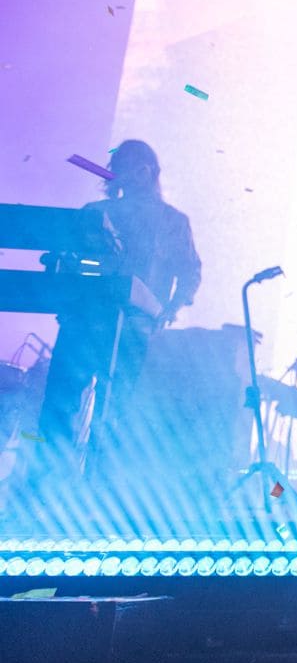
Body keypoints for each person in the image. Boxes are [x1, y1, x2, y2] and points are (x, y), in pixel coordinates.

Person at [34, 139, 201, 481]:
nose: (115, 176)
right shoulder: (95, 213)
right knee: (63, 408)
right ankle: (52, 489)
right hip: (85, 322)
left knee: (114, 414)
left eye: (123, 168)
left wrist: (170, 308)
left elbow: (189, 272)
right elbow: (67, 256)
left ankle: (96, 490)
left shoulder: (172, 222)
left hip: (132, 327)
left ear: (145, 172)